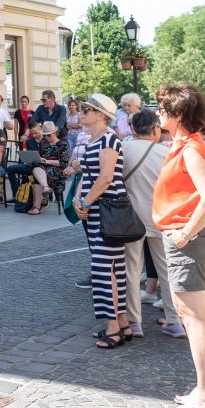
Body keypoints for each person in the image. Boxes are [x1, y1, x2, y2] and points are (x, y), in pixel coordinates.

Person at [152, 82, 205, 408]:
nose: (158, 113)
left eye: (164, 108)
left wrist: (183, 234)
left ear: (177, 114)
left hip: (188, 239)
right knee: (193, 317)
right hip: (188, 237)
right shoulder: (188, 145)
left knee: (193, 318)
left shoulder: (192, 148)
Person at [75, 93, 132, 348]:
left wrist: (86, 202)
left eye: (87, 109)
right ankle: (122, 322)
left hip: (106, 209)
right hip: (99, 210)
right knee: (113, 268)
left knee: (103, 269)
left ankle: (113, 327)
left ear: (101, 115)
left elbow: (106, 178)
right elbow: (89, 175)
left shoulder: (108, 139)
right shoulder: (94, 139)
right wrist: (80, 200)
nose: (82, 112)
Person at [120, 109, 175, 340]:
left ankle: (135, 322)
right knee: (167, 270)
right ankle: (175, 320)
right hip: (160, 216)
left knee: (132, 270)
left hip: (131, 218)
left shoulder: (123, 149)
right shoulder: (165, 153)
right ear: (154, 129)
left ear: (133, 128)